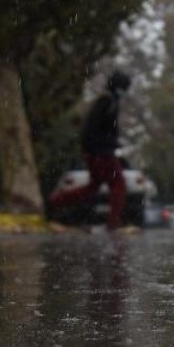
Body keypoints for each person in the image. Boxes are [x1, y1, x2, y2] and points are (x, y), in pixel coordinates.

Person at [47, 70, 136, 233]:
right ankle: (113, 223)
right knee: (118, 186)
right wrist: (107, 144)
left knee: (92, 188)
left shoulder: (108, 101)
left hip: (96, 152)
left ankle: (53, 203)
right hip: (101, 153)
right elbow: (92, 128)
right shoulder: (107, 101)